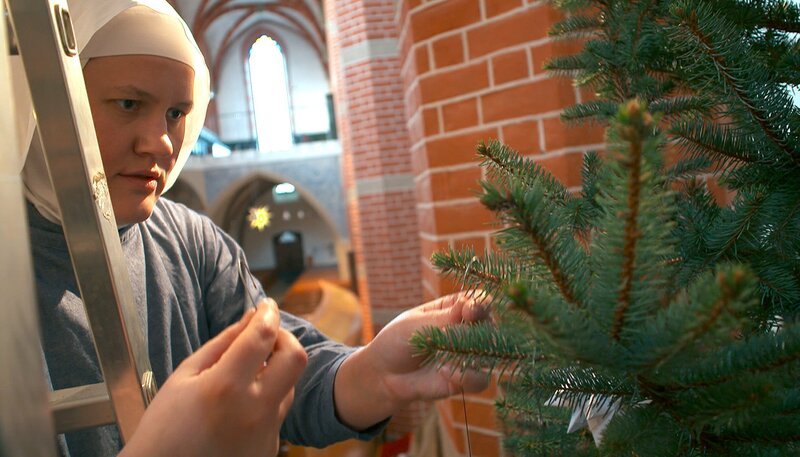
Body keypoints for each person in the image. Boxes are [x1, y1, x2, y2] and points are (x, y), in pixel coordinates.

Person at [14, 1, 489, 456]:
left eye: (176, 114)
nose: (160, 143)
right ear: (45, 101)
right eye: (128, 103)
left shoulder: (192, 241)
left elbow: (276, 366)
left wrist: (375, 373)